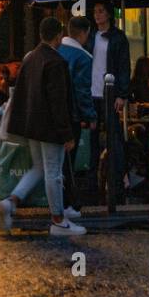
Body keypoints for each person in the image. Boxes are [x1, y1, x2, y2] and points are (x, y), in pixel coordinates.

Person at [0, 17, 85, 236]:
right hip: (50, 128)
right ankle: (58, 221)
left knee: (39, 167)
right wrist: (67, 133)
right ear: (58, 36)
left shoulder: (30, 58)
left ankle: (11, 201)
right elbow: (58, 101)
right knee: (53, 172)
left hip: (31, 126)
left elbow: (21, 93)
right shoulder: (56, 62)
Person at [88, 2, 131, 202]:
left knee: (114, 137)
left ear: (109, 14)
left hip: (109, 93)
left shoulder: (117, 38)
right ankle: (93, 181)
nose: (97, 15)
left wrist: (122, 94)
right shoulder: (91, 36)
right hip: (92, 93)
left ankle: (117, 178)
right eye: (95, 12)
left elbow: (123, 66)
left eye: (101, 11)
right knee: (92, 138)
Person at [58, 17, 95, 215]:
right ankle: (68, 203)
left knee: (55, 162)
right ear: (84, 33)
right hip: (71, 115)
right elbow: (82, 91)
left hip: (53, 114)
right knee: (68, 162)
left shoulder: (55, 50)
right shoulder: (83, 58)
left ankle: (61, 202)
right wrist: (90, 116)